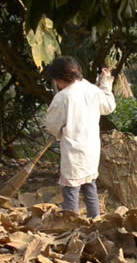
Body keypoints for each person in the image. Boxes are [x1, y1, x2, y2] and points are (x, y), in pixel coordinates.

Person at [44, 56, 115, 218]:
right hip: (91, 150)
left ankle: (72, 229)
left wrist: (58, 132)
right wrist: (105, 83)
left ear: (59, 79)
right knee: (90, 187)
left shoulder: (63, 97)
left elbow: (52, 125)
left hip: (73, 152)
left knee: (70, 191)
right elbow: (108, 106)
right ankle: (95, 222)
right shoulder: (91, 89)